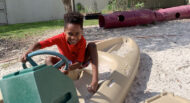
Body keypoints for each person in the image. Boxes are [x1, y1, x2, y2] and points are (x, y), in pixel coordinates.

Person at [21, 12, 99, 93]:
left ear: (82, 31)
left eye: (77, 33)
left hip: (78, 66)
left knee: (92, 45)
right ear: (65, 31)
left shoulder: (82, 41)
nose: (73, 37)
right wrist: (27, 53)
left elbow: (79, 63)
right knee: (48, 59)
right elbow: (39, 44)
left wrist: (69, 68)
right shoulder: (60, 38)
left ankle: (95, 81)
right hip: (64, 66)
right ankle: (57, 79)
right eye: (70, 34)